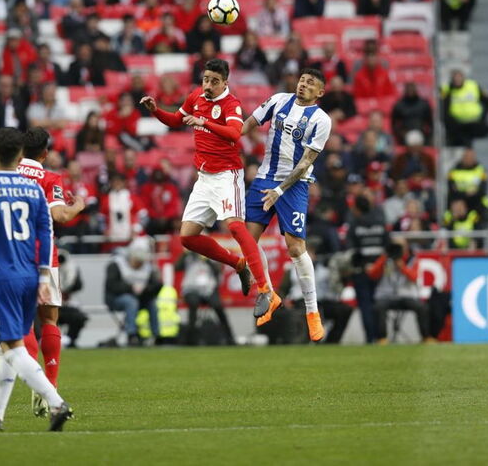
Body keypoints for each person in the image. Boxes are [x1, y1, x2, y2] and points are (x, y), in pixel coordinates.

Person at [141, 58, 280, 323]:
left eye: (214, 81)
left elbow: (235, 134)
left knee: (236, 227)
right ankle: (238, 264)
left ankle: (266, 291)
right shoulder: (196, 96)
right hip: (204, 179)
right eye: (206, 79)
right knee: (187, 237)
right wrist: (156, 110)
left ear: (225, 83)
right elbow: (176, 120)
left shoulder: (231, 104)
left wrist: (203, 122)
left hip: (227, 176)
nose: (208, 85)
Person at [0, 127, 72, 432]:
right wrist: (43, 275)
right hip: (34, 271)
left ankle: (55, 402)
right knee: (10, 345)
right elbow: (48, 231)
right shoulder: (37, 187)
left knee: (12, 346)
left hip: (2, 273)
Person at [239, 68, 332, 341]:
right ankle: (269, 294)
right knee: (247, 242)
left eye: (310, 83)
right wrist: (225, 135)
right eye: (302, 80)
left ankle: (312, 312)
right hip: (264, 178)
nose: (303, 84)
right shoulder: (278, 100)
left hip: (295, 184)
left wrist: (279, 190)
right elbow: (249, 123)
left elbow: (306, 162)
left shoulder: (321, 120)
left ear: (320, 92)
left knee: (295, 247)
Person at [16, 128, 86, 416]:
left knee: (23, 322)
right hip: (44, 254)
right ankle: (50, 386)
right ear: (45, 153)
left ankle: (35, 381)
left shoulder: (7, 174)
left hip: (14, 254)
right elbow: (60, 215)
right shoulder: (50, 178)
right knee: (49, 319)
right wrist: (78, 204)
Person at [367, 240, 432, 344]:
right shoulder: (385, 259)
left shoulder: (412, 259)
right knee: (378, 307)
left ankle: (426, 337)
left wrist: (402, 267)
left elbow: (415, 277)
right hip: (386, 295)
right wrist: (383, 260)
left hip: (407, 295)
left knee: (422, 307)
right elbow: (372, 275)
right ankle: (382, 338)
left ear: (406, 248)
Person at [347, 193, 389, 343]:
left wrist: (364, 265)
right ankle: (381, 337)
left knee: (365, 306)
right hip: (379, 272)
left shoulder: (354, 225)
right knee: (379, 304)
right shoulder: (380, 224)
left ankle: (370, 338)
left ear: (357, 208)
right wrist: (377, 265)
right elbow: (387, 246)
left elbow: (352, 251)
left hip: (361, 272)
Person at [105, 236, 162, 346]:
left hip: (140, 298)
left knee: (152, 303)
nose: (139, 264)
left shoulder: (148, 268)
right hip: (116, 298)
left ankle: (156, 335)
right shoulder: (116, 264)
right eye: (137, 261)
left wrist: (146, 288)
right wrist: (131, 288)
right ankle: (132, 334)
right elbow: (111, 286)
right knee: (130, 301)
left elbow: (156, 287)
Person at [176, 251, 236, 346]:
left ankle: (230, 337)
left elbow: (217, 271)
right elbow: (177, 268)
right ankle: (191, 339)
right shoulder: (189, 256)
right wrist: (186, 253)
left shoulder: (211, 255)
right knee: (193, 303)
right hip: (191, 289)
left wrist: (207, 259)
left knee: (218, 306)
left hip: (208, 289)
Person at [441, 69, 488, 147]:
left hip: (474, 121)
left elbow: (487, 101)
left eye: (459, 77)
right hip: (457, 123)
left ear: (463, 77)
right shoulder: (447, 89)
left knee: (485, 130)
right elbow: (443, 108)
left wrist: (484, 117)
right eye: (455, 78)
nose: (457, 80)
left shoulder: (473, 86)